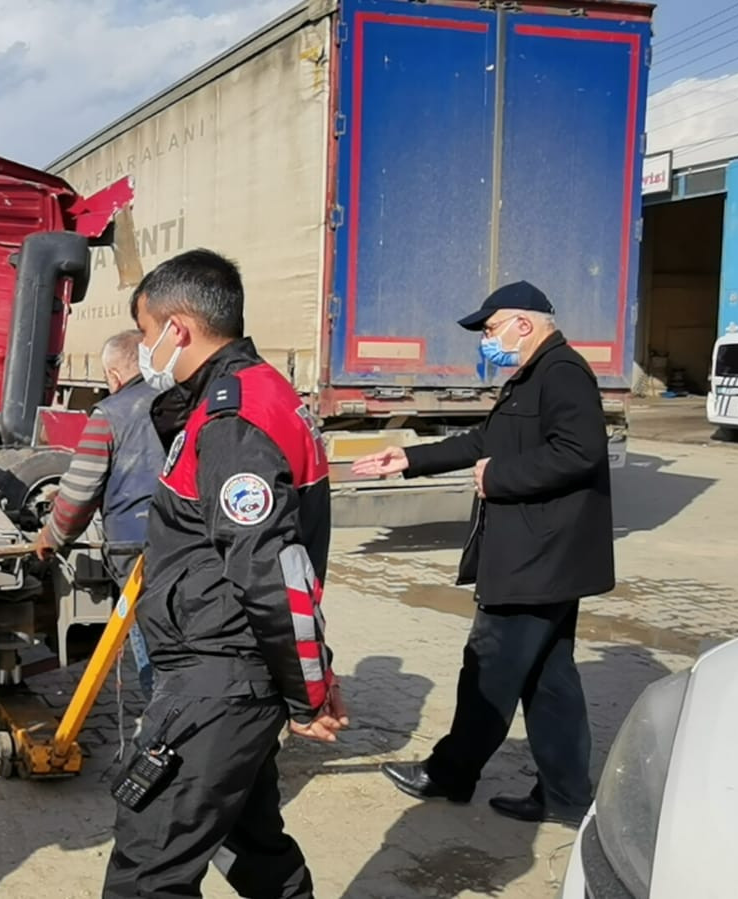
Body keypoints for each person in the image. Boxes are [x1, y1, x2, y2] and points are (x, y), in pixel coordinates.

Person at [104, 249, 345, 899]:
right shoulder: (236, 398)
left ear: (176, 329)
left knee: (147, 865)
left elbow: (271, 568)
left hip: (218, 673)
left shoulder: (233, 416)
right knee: (247, 839)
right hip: (226, 668)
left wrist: (309, 690)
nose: (145, 348)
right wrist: (307, 673)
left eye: (147, 331)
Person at [351, 280, 609, 825]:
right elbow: (482, 442)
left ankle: (450, 773)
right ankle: (565, 797)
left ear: (524, 323)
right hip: (544, 556)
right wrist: (409, 458)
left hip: (537, 557)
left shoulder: (562, 374)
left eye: (491, 329)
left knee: (489, 666)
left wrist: (500, 478)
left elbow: (580, 453)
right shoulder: (530, 376)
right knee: (549, 681)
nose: (486, 341)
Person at [32, 329, 164, 698]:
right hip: (190, 541)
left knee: (152, 644)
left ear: (114, 376)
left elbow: (79, 494)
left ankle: (164, 730)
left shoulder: (111, 412)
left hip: (135, 550)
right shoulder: (184, 400)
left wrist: (52, 536)